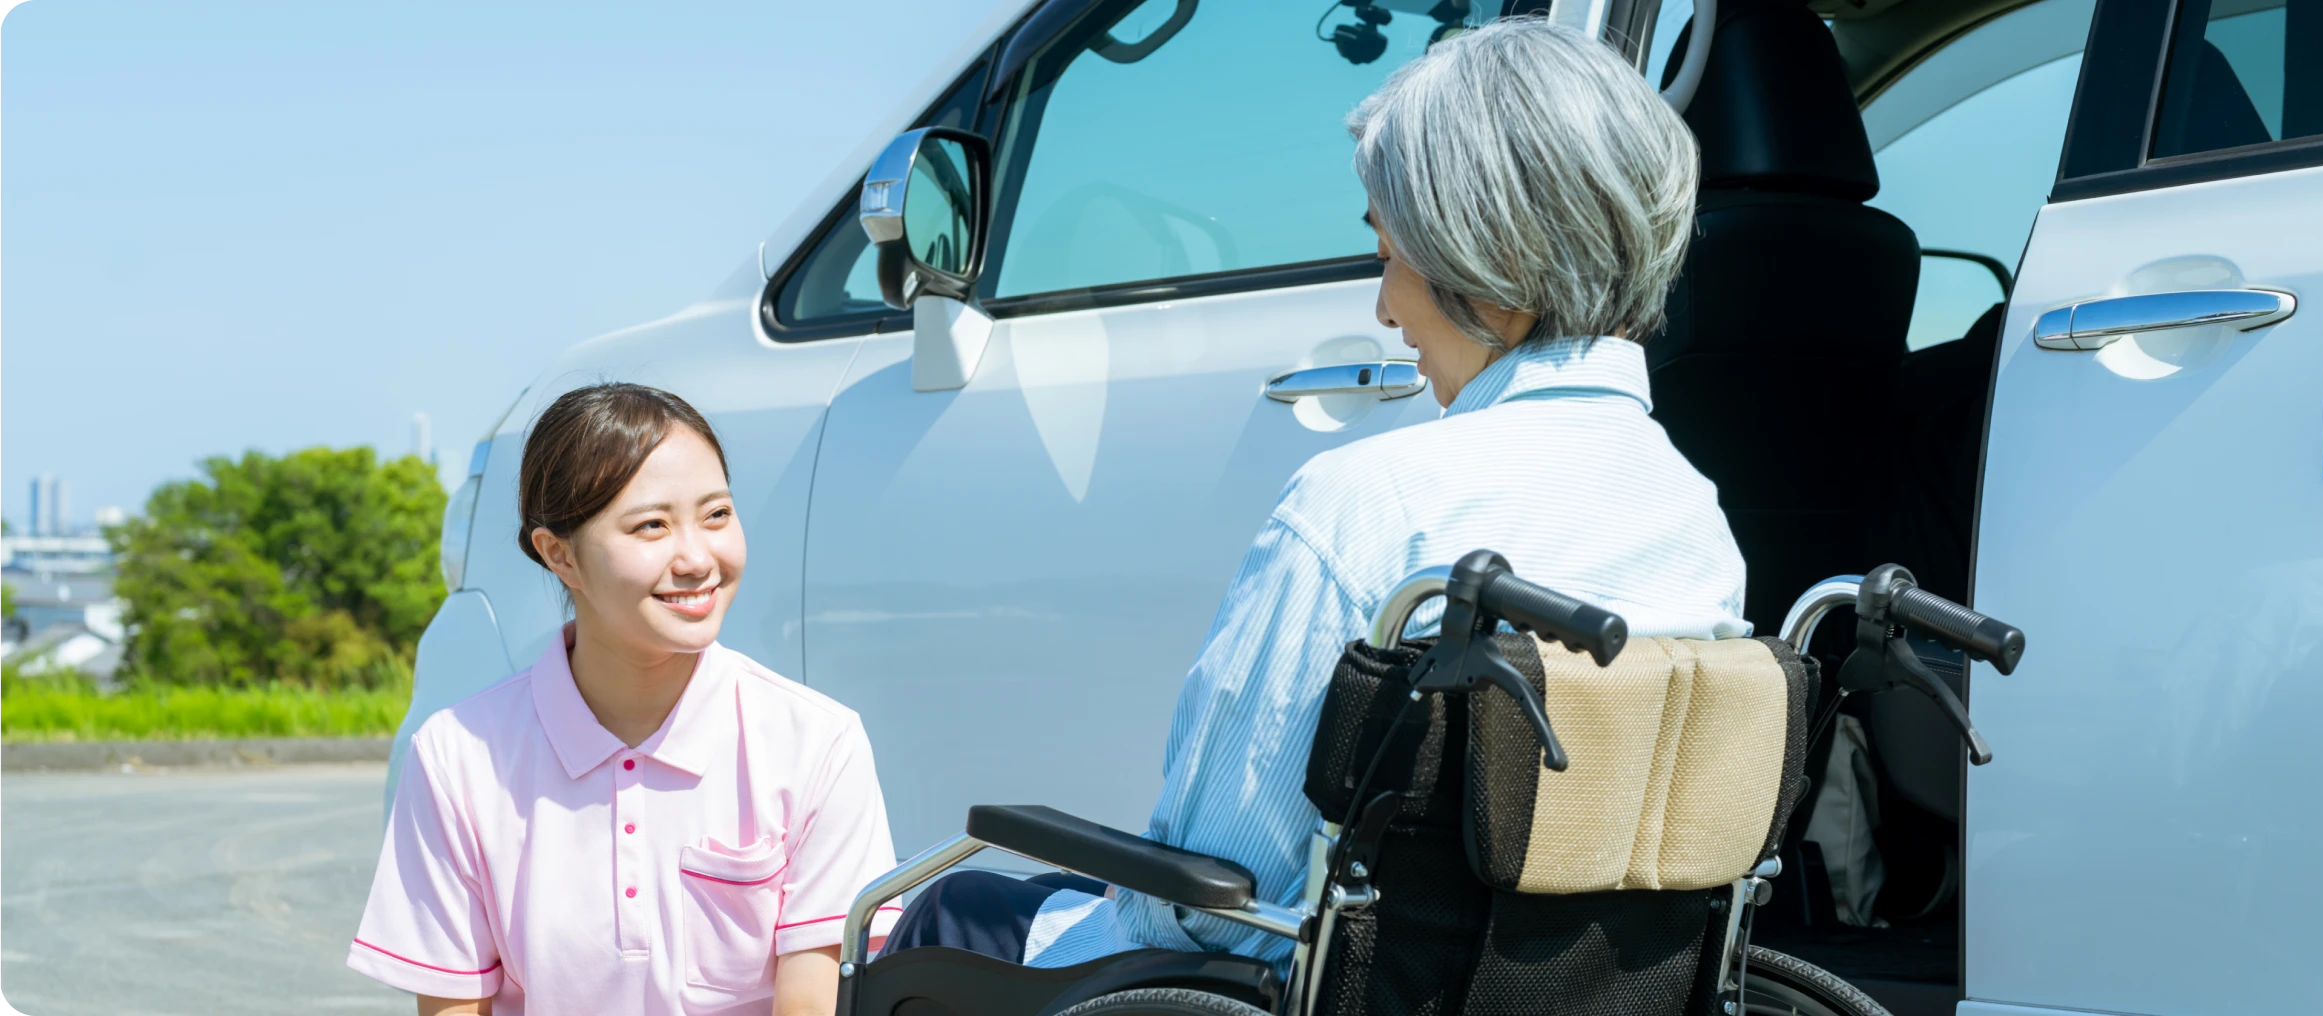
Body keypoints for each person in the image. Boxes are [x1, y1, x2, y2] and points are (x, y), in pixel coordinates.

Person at [878, 16, 1747, 972]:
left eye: (1390, 254)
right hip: (1568, 990)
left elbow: (1208, 899)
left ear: (1487, 267)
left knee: (947, 913)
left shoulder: (1369, 505)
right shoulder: (1698, 524)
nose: (1384, 308)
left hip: (1301, 983)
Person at [348, 384, 900, 1016]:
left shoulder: (818, 743)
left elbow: (813, 1001)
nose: (697, 558)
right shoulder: (456, 758)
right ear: (559, 556)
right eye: (652, 526)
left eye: (717, 515)